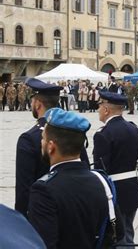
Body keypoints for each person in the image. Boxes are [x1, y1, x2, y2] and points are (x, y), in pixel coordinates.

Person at [28, 108, 111, 249]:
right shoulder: (102, 181)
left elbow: (42, 244)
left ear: (51, 147)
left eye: (43, 138)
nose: (41, 142)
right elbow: (115, 234)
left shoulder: (43, 190)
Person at [15, 78, 89, 217]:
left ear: (38, 104)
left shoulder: (29, 139)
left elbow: (23, 190)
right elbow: (84, 168)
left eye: (32, 101)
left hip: (42, 213)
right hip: (74, 210)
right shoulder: (71, 130)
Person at [93, 91, 138, 246]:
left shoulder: (103, 134)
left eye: (99, 106)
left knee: (115, 236)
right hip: (132, 189)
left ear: (106, 110)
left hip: (113, 193)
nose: (98, 110)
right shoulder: (137, 131)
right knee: (127, 232)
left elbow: (100, 170)